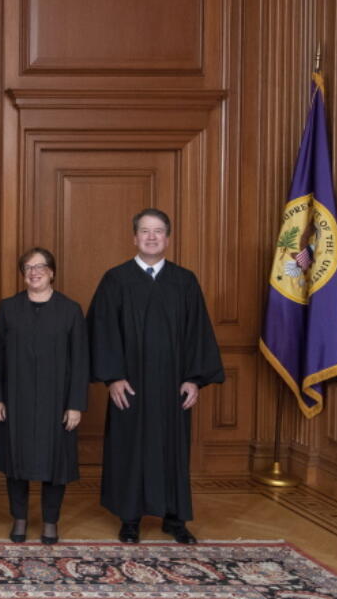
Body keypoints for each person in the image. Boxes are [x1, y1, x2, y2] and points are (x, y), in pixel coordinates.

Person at [88, 208, 225, 544]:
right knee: (129, 448)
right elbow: (101, 330)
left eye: (159, 231)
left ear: (168, 237)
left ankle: (174, 518)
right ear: (134, 237)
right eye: (145, 231)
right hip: (130, 386)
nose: (151, 237)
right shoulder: (116, 279)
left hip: (171, 385)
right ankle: (130, 518)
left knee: (172, 448)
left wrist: (194, 378)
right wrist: (113, 377)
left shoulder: (184, 281)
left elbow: (198, 333)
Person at [0, 247, 88, 545]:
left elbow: (81, 362)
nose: (35, 272)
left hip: (57, 401)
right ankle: (19, 518)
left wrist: (75, 405)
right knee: (15, 462)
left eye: (41, 266)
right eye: (28, 267)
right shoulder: (8, 308)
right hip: (15, 399)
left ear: (52, 271)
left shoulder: (71, 310)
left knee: (55, 465)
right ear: (23, 274)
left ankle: (49, 521)